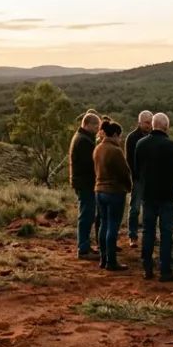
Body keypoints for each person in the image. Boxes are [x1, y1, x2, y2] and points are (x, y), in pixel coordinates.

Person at [135, 113, 173, 281]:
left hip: (148, 194)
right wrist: (172, 186)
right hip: (167, 196)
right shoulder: (172, 146)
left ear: (153, 125)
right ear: (166, 126)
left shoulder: (140, 144)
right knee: (166, 232)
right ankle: (165, 270)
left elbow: (136, 170)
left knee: (148, 231)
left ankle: (147, 268)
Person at [94, 120, 132, 271]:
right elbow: (124, 172)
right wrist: (128, 187)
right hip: (114, 191)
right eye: (119, 136)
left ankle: (103, 259)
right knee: (112, 227)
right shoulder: (116, 151)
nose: (120, 140)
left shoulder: (98, 149)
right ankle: (111, 261)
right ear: (115, 135)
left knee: (103, 225)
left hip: (99, 190)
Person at [69, 112, 100, 261]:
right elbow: (89, 165)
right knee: (86, 215)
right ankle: (83, 248)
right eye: (95, 126)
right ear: (87, 124)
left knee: (88, 214)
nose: (97, 129)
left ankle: (85, 245)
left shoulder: (82, 138)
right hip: (86, 183)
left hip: (84, 182)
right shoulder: (83, 141)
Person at [125, 111, 153, 246]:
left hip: (152, 178)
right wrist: (136, 176)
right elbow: (129, 160)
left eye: (151, 122)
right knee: (135, 207)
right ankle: (132, 235)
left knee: (151, 207)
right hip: (139, 178)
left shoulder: (154, 136)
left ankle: (149, 235)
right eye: (147, 122)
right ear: (140, 122)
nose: (150, 125)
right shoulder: (132, 138)